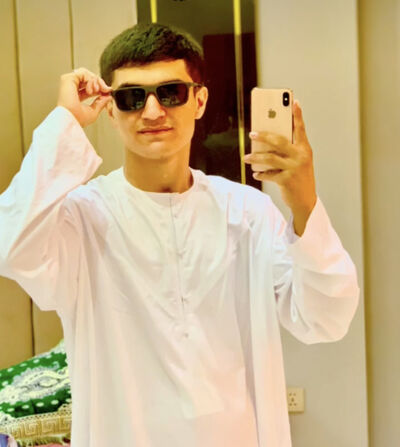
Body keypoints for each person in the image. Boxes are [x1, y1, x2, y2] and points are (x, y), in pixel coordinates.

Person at [0, 22, 359, 447]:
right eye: (132, 98)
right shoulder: (83, 218)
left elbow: (325, 317)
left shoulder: (246, 213)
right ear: (110, 110)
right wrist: (66, 121)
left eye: (170, 93)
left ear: (199, 100)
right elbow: (11, 246)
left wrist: (304, 202)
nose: (152, 112)